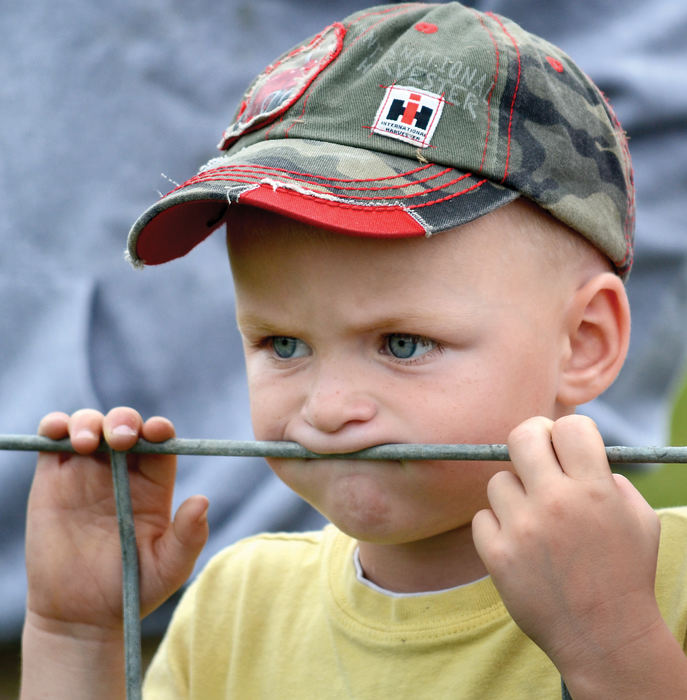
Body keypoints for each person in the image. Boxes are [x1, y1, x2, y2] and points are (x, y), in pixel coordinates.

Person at [19, 3, 687, 698]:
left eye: (403, 343)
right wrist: (77, 636)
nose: (327, 409)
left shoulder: (668, 584)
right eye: (282, 345)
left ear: (583, 342)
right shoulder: (240, 601)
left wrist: (614, 641)